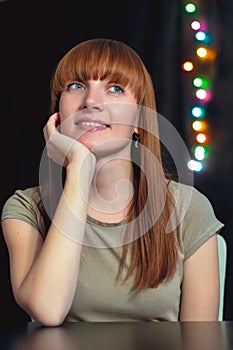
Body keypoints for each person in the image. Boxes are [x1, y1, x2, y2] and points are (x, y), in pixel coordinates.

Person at [1, 38, 224, 326]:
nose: (91, 101)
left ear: (138, 120)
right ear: (57, 113)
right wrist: (79, 168)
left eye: (115, 89)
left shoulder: (188, 208)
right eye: (77, 86)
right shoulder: (26, 209)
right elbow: (47, 309)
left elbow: (200, 342)